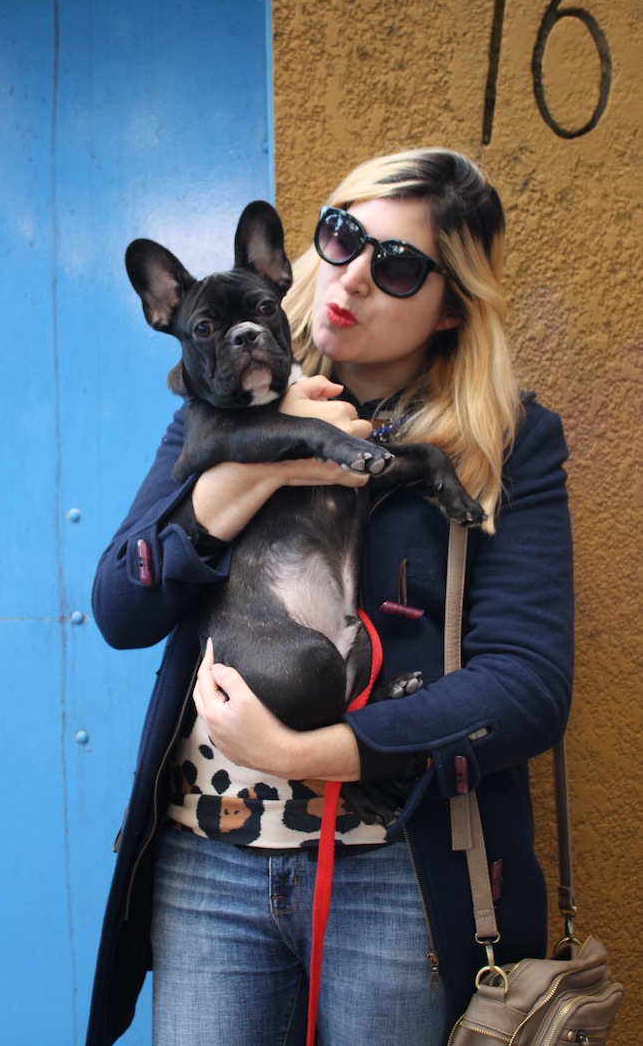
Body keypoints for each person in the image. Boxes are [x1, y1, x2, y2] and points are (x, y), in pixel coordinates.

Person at [85, 148, 574, 1046]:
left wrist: (317, 753)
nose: (350, 277)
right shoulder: (219, 408)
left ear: (452, 305)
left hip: (394, 871)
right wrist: (256, 471)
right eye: (342, 236)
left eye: (398, 266)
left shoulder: (507, 440)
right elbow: (122, 605)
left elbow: (529, 686)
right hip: (208, 859)